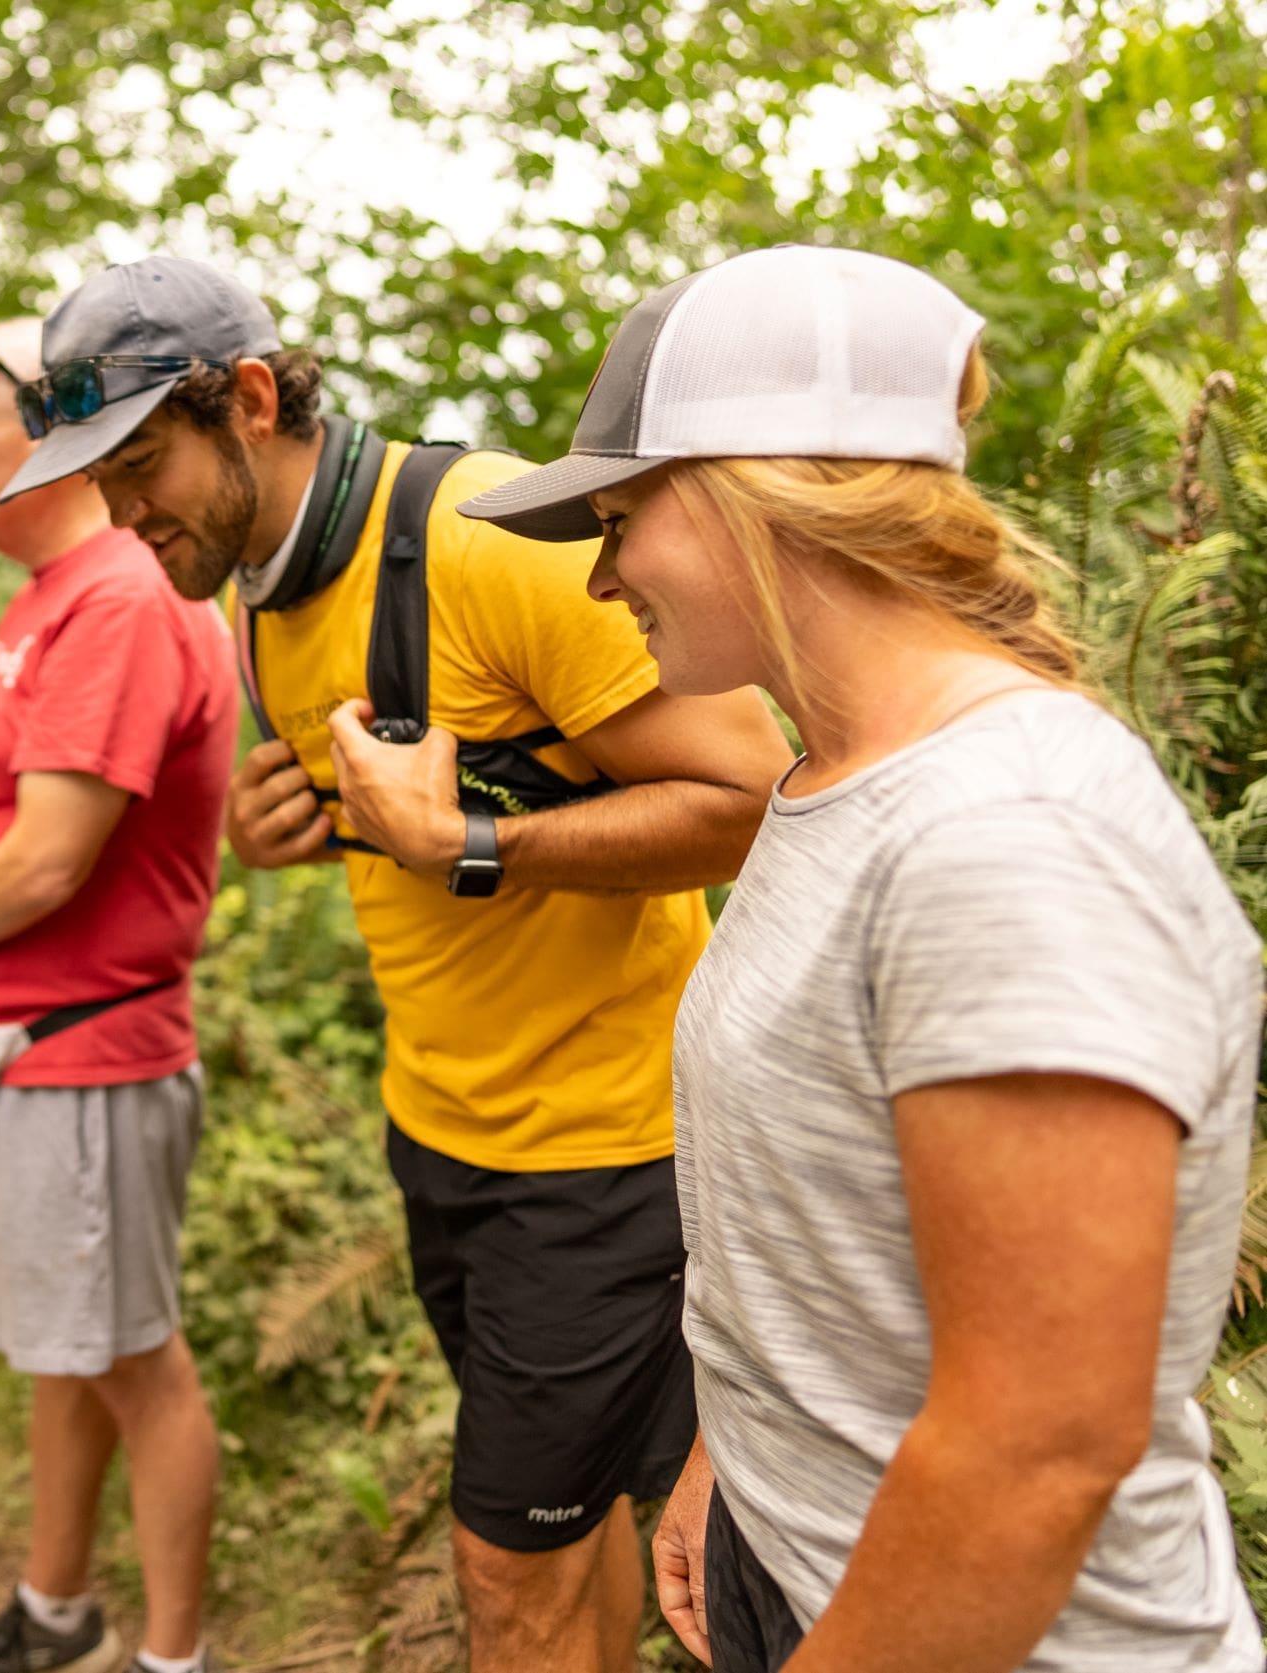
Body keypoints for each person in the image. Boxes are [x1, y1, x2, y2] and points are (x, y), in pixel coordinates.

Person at [457, 243, 1265, 1671]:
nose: (596, 579)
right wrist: (737, 1462)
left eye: (620, 515)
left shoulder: (1003, 836)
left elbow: (1036, 1451)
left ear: (750, 492)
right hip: (820, 1561)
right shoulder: (831, 783)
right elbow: (835, 1244)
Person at [0, 258, 793, 1673]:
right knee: (590, 1538)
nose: (118, 512)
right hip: (440, 1137)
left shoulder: (491, 540)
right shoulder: (252, 595)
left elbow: (750, 793)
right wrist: (287, 826)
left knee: (509, 1576)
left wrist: (468, 843)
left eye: (140, 462)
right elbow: (408, 812)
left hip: (607, 1150)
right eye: (95, 478)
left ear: (246, 400)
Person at [0, 320, 237, 1673]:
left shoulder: (120, 600)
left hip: (89, 1058)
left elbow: (44, 859)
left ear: (45, 440)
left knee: (136, 1361)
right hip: (26, 1052)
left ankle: (171, 1657)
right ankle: (54, 1608)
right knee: (68, 1353)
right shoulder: (58, 600)